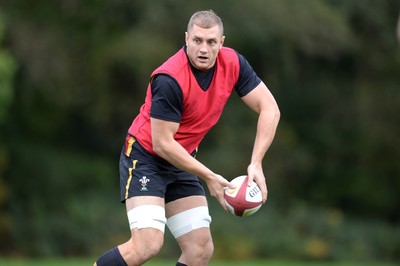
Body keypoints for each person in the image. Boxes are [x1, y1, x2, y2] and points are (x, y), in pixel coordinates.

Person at [94, 10, 280, 266]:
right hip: (146, 159)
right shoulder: (170, 78)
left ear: (221, 43)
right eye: (197, 40)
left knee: (199, 249)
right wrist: (209, 176)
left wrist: (256, 162)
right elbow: (162, 144)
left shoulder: (233, 63)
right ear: (186, 39)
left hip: (181, 162)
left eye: (211, 42)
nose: (203, 48)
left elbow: (270, 108)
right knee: (147, 244)